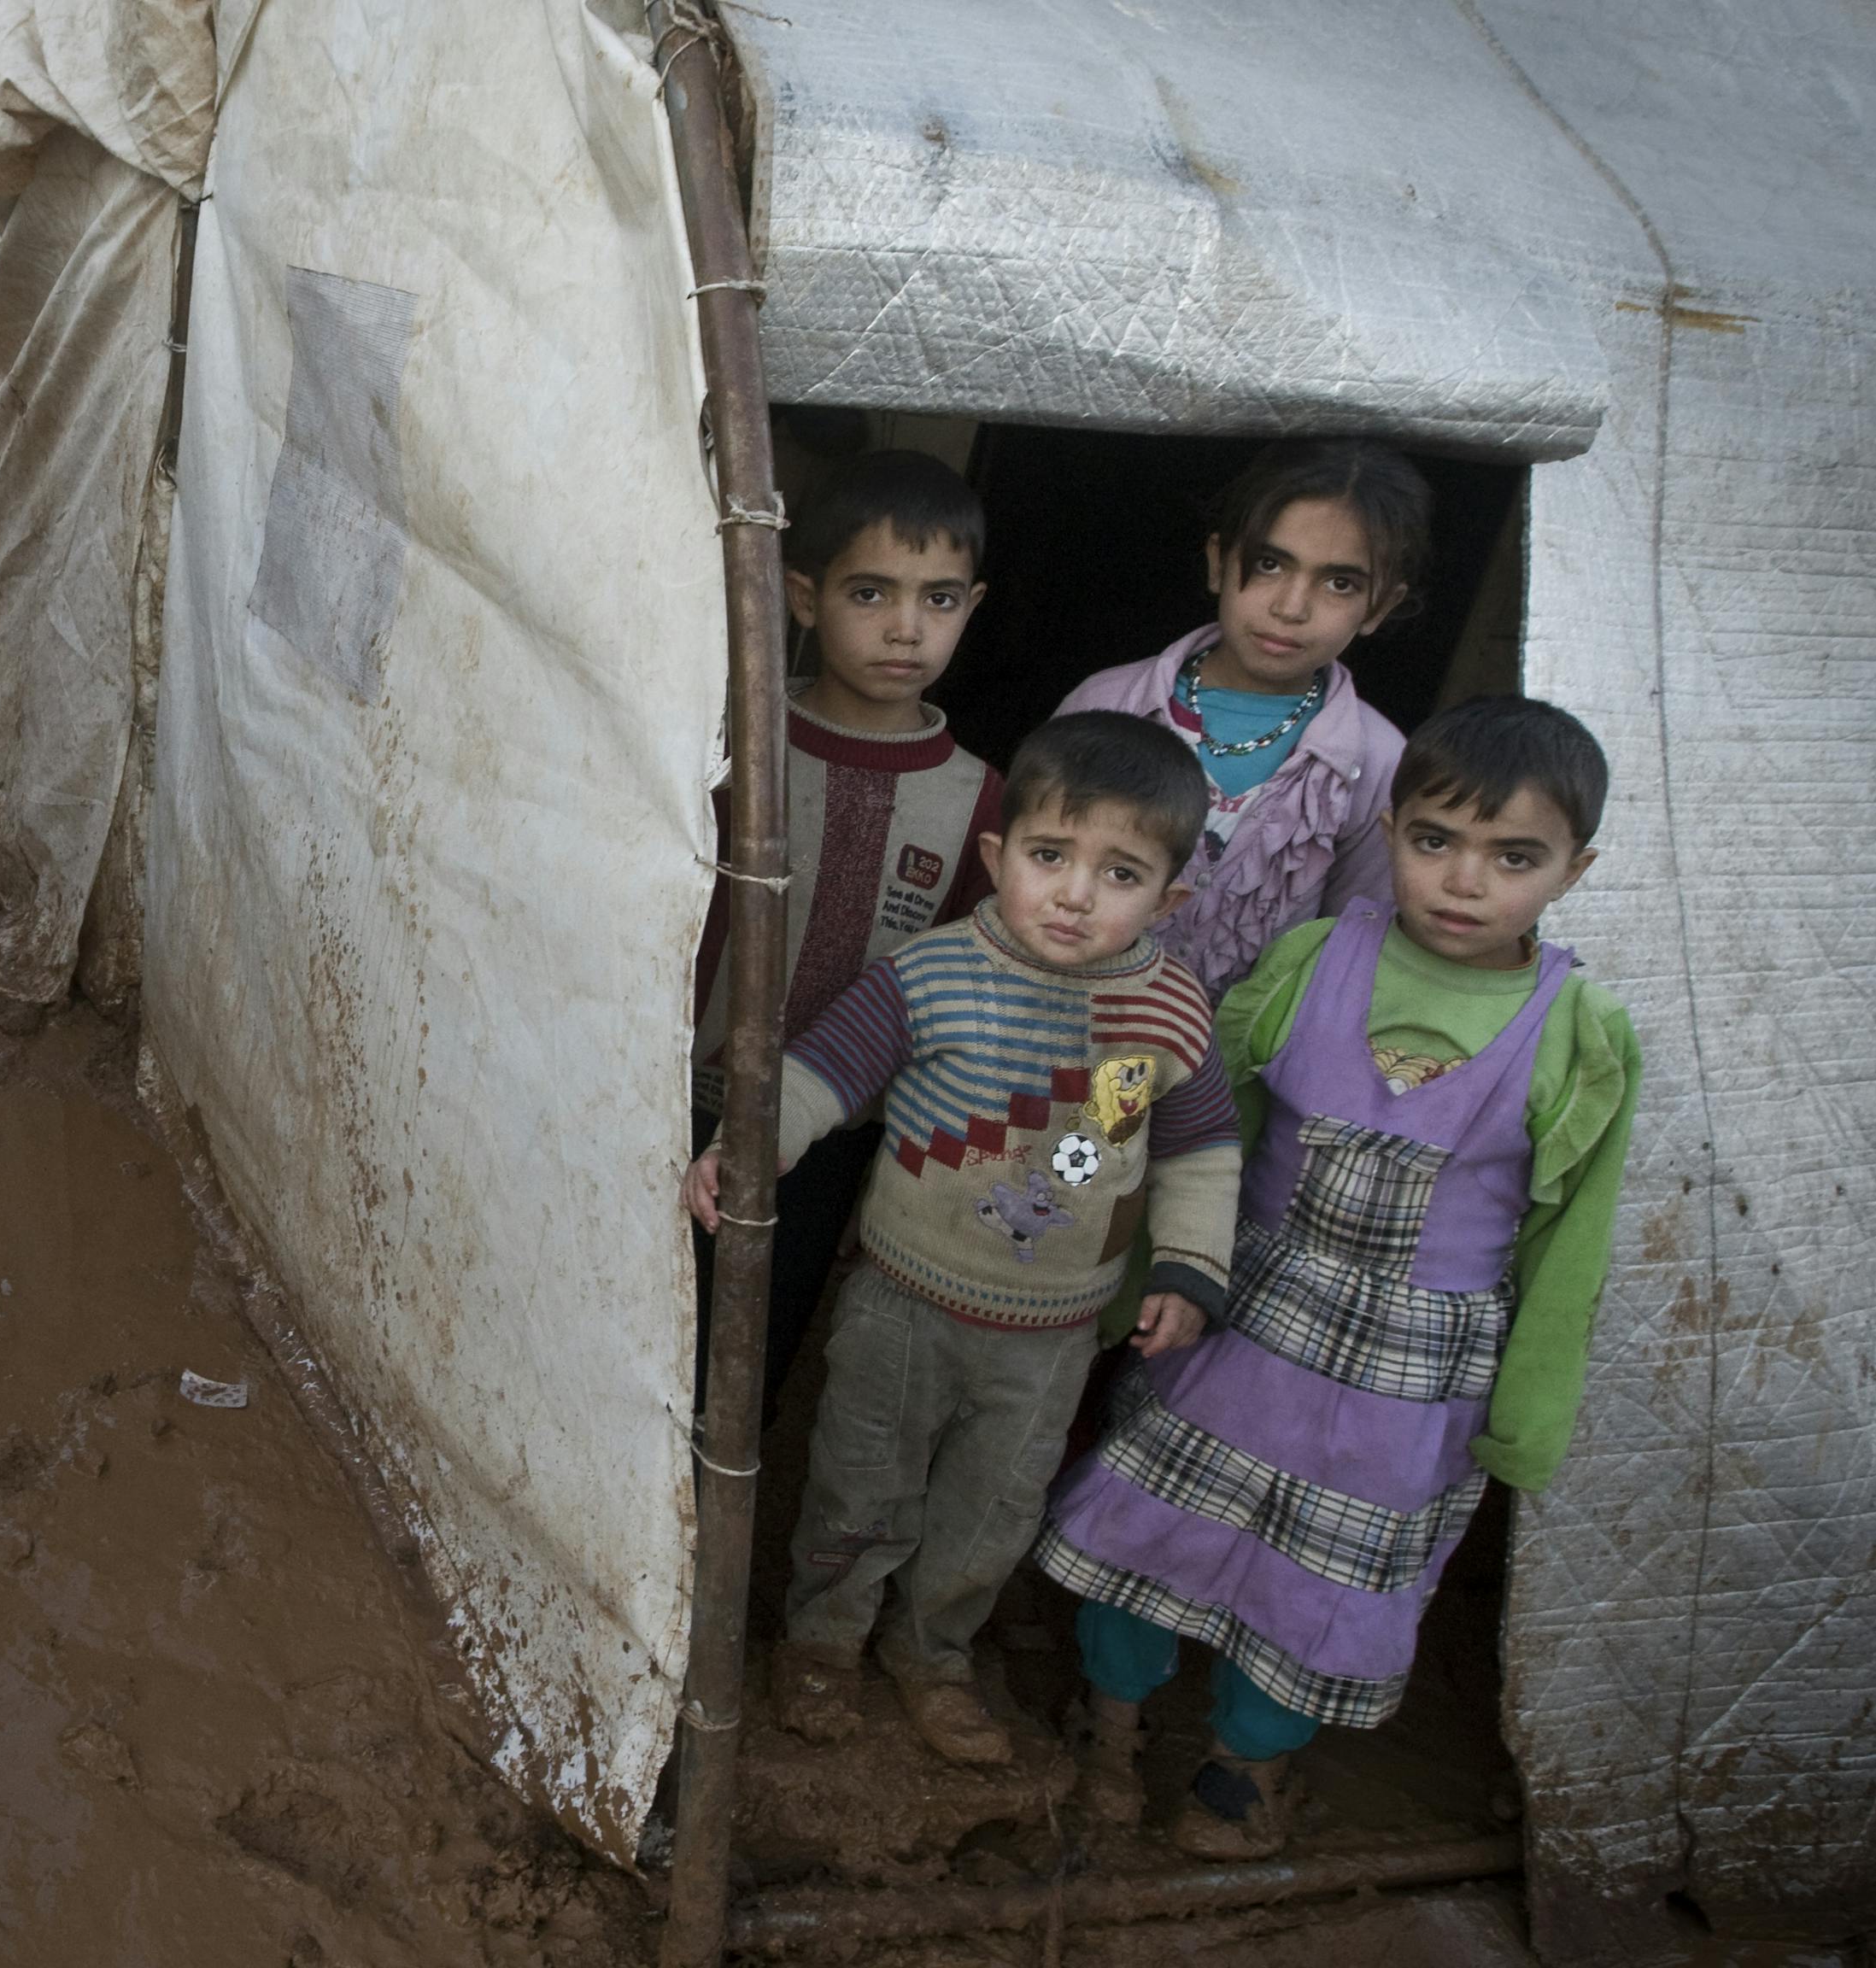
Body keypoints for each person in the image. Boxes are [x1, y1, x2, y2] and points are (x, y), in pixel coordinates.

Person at [1035, 696, 1641, 1860]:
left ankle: (1238, 1775)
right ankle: (1107, 1733)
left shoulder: (1582, 1032)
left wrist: (1529, 1414)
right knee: (1150, 1523)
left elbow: (1575, 1240)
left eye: (1513, 857)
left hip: (1407, 1389)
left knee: (1323, 1584)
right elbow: (1209, 1129)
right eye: (1434, 841)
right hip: (1241, 1323)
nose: (1465, 882)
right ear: (1392, 828)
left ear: (1576, 867)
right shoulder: (1316, 959)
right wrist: (1133, 1282)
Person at [683, 713, 1241, 1765]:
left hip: (1052, 1338)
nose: (1075, 894)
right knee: (861, 1478)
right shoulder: (934, 972)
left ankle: (934, 1656)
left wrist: (1189, 1268)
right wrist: (749, 1146)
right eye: (1049, 856)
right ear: (998, 857)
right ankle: (823, 1639)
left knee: (991, 1510)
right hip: (902, 1302)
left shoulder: (1167, 1015)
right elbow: (823, 1070)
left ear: (1170, 899)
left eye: (1119, 873)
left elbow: (1201, 1151)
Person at [688, 449, 1005, 1416]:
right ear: (803, 597)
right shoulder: (730, 745)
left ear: (972, 608)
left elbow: (961, 987)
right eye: (872, 592)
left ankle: (710, 1527)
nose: (906, 628)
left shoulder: (980, 799)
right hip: (680, 1099)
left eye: (940, 600)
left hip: (833, 1143)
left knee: (755, 1347)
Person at [1055, 439, 1435, 997]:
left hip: (1238, 1071)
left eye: (1340, 583)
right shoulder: (1109, 703)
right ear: (1218, 562)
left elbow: (1355, 952)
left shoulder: (1376, 761)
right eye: (1269, 564)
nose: (1290, 606)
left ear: (1379, 606)